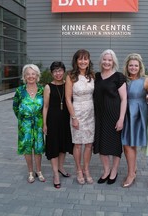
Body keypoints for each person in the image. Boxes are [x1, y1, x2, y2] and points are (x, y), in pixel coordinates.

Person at [93, 49, 127, 185]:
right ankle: (106, 171)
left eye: (110, 60)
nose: (107, 62)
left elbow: (124, 99)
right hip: (100, 117)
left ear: (113, 62)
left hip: (114, 116)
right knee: (102, 145)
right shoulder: (96, 76)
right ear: (101, 61)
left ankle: (114, 171)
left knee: (114, 145)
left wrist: (121, 119)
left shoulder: (118, 77)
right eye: (105, 59)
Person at [121, 53, 148, 188]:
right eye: (131, 65)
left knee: (130, 143)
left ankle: (131, 173)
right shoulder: (123, 79)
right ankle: (132, 170)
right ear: (127, 66)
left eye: (136, 65)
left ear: (140, 66)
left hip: (139, 114)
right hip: (125, 112)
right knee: (126, 143)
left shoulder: (146, 80)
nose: (133, 68)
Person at [65, 49, 95, 185]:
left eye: (85, 59)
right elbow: (67, 98)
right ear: (76, 61)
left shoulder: (92, 75)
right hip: (77, 111)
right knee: (77, 144)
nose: (83, 62)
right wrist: (73, 117)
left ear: (89, 61)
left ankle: (86, 169)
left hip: (91, 112)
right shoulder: (71, 76)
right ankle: (78, 170)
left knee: (89, 144)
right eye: (80, 59)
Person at [13, 64, 45, 183]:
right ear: (24, 76)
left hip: (38, 123)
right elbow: (15, 107)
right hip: (25, 124)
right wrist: (22, 119)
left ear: (37, 75)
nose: (31, 76)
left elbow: (45, 107)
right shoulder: (20, 91)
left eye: (33, 74)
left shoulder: (42, 89)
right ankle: (30, 172)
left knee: (38, 147)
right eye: (28, 74)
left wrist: (43, 122)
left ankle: (39, 171)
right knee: (27, 148)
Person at [43, 61, 73, 189]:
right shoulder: (48, 87)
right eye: (55, 71)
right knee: (54, 146)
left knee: (63, 145)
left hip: (65, 121)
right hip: (52, 121)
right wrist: (44, 124)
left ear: (64, 71)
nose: (58, 73)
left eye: (60, 70)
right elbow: (45, 106)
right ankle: (55, 173)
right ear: (52, 73)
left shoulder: (67, 85)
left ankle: (61, 167)